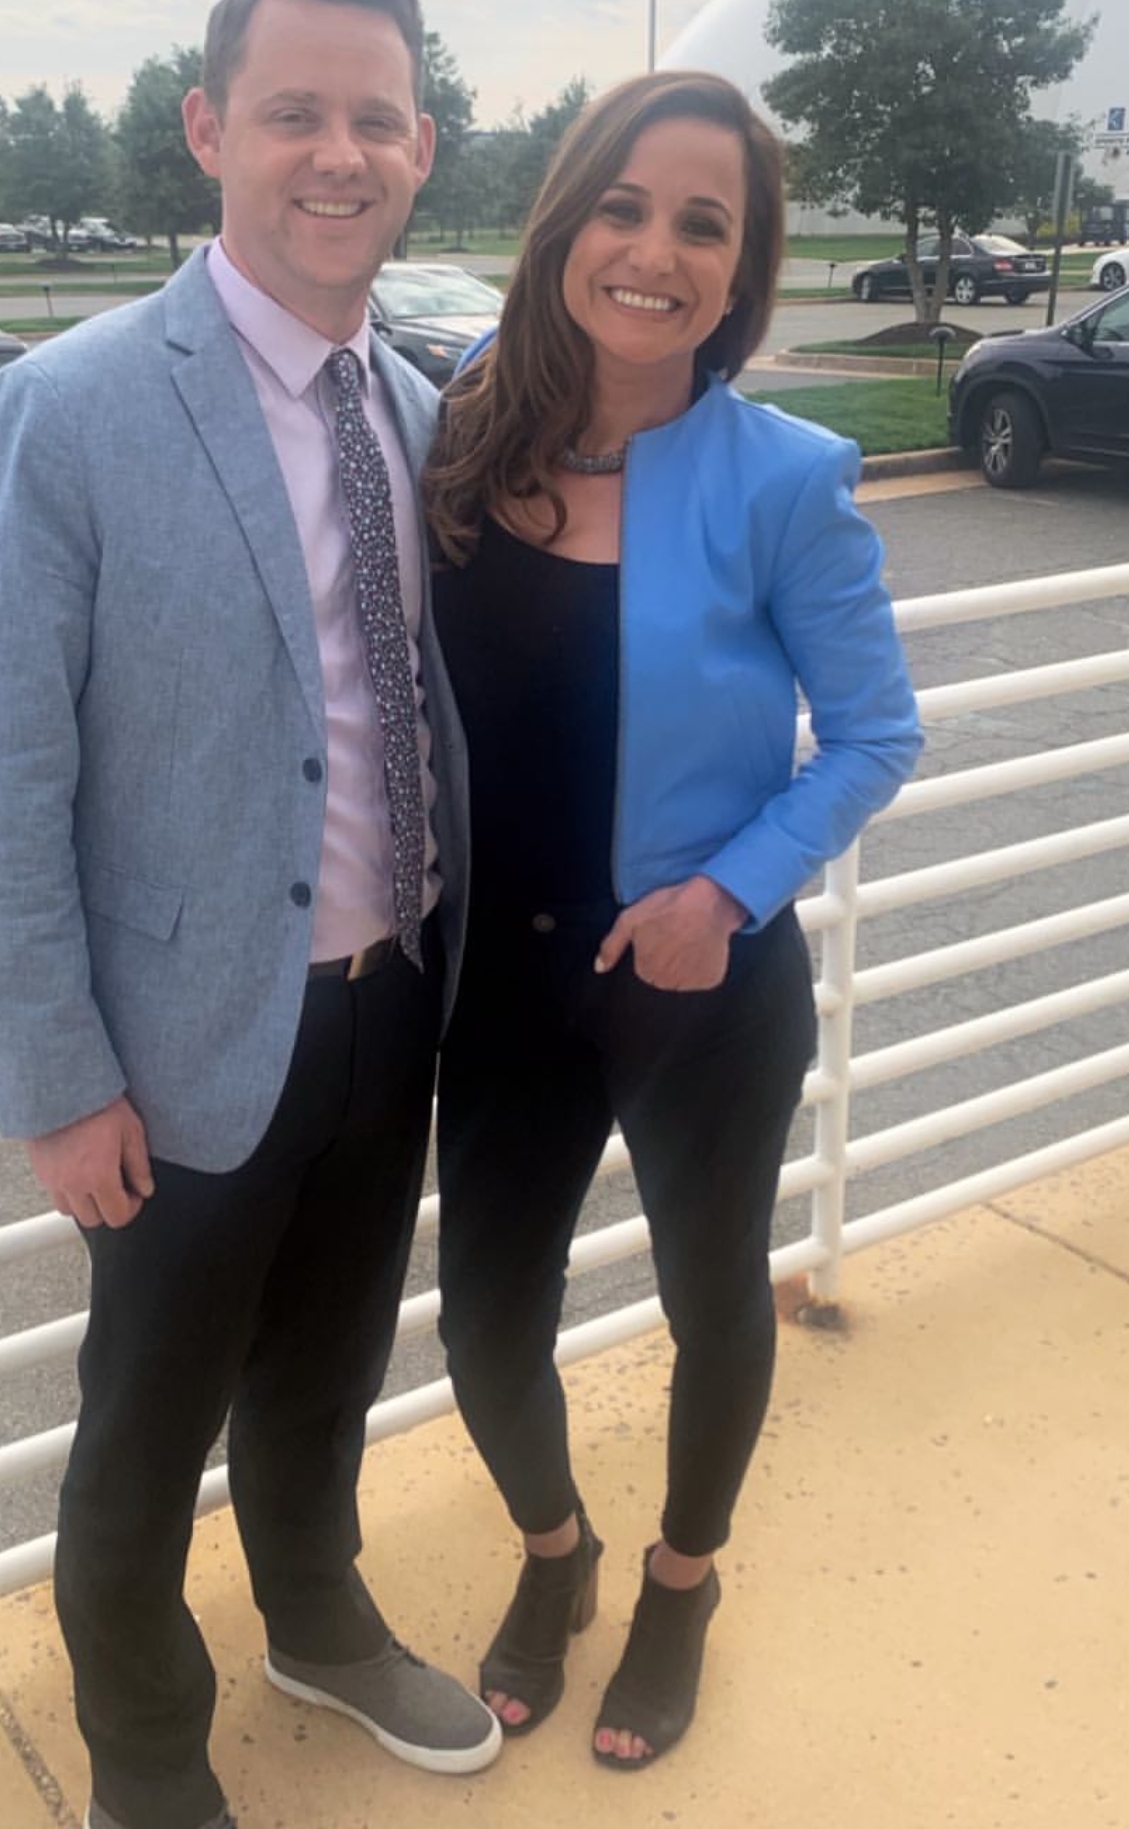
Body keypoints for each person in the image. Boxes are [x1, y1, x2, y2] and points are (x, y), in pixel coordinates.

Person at [0, 2, 501, 1824]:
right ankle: (143, 1761)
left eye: (374, 118)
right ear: (210, 130)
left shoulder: (418, 413)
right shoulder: (71, 409)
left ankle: (315, 1615)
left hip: (389, 996)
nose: (336, 155)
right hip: (181, 1040)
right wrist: (60, 1079)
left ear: (421, 148)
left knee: (328, 1366)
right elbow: (11, 770)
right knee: (142, 1434)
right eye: (293, 113)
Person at [424, 70, 922, 1771]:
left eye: (701, 225)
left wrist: (725, 892)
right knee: (482, 1316)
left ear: (740, 270)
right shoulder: (464, 426)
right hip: (502, 973)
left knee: (715, 1300)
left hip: (696, 975)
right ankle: (554, 1548)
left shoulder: (785, 478)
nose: (653, 252)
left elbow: (873, 736)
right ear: (566, 222)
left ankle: (679, 1582)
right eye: (623, 207)